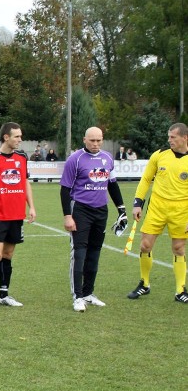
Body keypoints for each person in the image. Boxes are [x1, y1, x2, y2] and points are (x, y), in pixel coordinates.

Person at [60, 126, 125, 312]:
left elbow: (112, 185)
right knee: (79, 252)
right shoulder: (75, 159)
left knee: (95, 252)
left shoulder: (108, 158)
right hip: (80, 210)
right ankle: (78, 296)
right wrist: (67, 216)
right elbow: (65, 189)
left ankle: (89, 292)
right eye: (92, 140)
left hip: (101, 210)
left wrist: (121, 209)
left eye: (99, 140)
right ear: (84, 140)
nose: (96, 144)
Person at [128, 123, 188, 304]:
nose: (169, 140)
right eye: (169, 137)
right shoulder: (159, 155)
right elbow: (146, 179)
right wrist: (138, 203)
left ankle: (180, 290)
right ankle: (144, 284)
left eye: (173, 137)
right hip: (157, 207)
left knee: (178, 248)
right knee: (145, 245)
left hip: (181, 210)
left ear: (185, 138)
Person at [0, 122, 36, 310]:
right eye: (17, 136)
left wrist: (31, 207)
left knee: (8, 254)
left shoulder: (22, 157)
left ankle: (4, 294)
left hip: (16, 215)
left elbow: (26, 182)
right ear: (6, 137)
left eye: (20, 136)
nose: (20, 140)